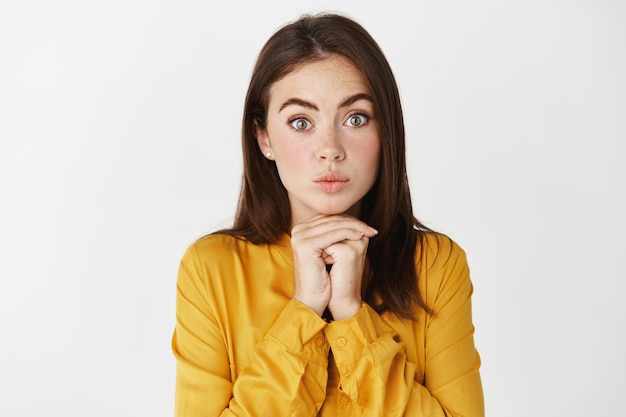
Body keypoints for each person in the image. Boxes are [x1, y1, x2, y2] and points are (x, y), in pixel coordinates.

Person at [172, 12, 484, 417]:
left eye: (356, 118)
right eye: (301, 122)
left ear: (385, 129)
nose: (330, 148)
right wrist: (303, 310)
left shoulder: (436, 266)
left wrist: (352, 314)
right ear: (263, 137)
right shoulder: (210, 269)